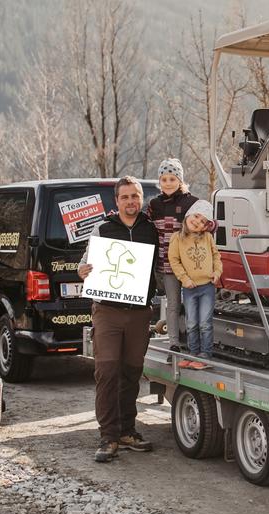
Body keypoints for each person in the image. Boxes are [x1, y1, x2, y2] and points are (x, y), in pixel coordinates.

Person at [78, 176, 158, 463]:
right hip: (108, 312)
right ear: (117, 201)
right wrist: (82, 269)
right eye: (125, 197)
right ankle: (108, 437)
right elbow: (85, 261)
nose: (131, 202)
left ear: (141, 198)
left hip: (139, 313)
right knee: (107, 372)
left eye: (135, 196)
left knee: (131, 373)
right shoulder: (103, 227)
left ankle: (127, 431)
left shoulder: (151, 228)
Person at [147, 158, 215, 356]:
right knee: (173, 303)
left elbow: (207, 222)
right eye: (164, 179)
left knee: (194, 304)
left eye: (172, 178)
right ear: (159, 181)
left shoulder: (191, 203)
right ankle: (174, 343)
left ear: (180, 180)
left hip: (193, 264)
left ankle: (198, 344)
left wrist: (212, 226)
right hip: (167, 264)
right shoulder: (154, 205)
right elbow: (146, 226)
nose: (168, 183)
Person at [168, 200, 222, 368]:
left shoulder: (207, 238)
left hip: (207, 286)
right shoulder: (177, 238)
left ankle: (205, 355)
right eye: (197, 216)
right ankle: (193, 353)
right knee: (191, 323)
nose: (198, 222)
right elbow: (174, 260)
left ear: (206, 227)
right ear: (188, 215)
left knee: (205, 323)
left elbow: (216, 256)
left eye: (203, 222)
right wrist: (185, 279)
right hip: (189, 287)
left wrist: (217, 272)